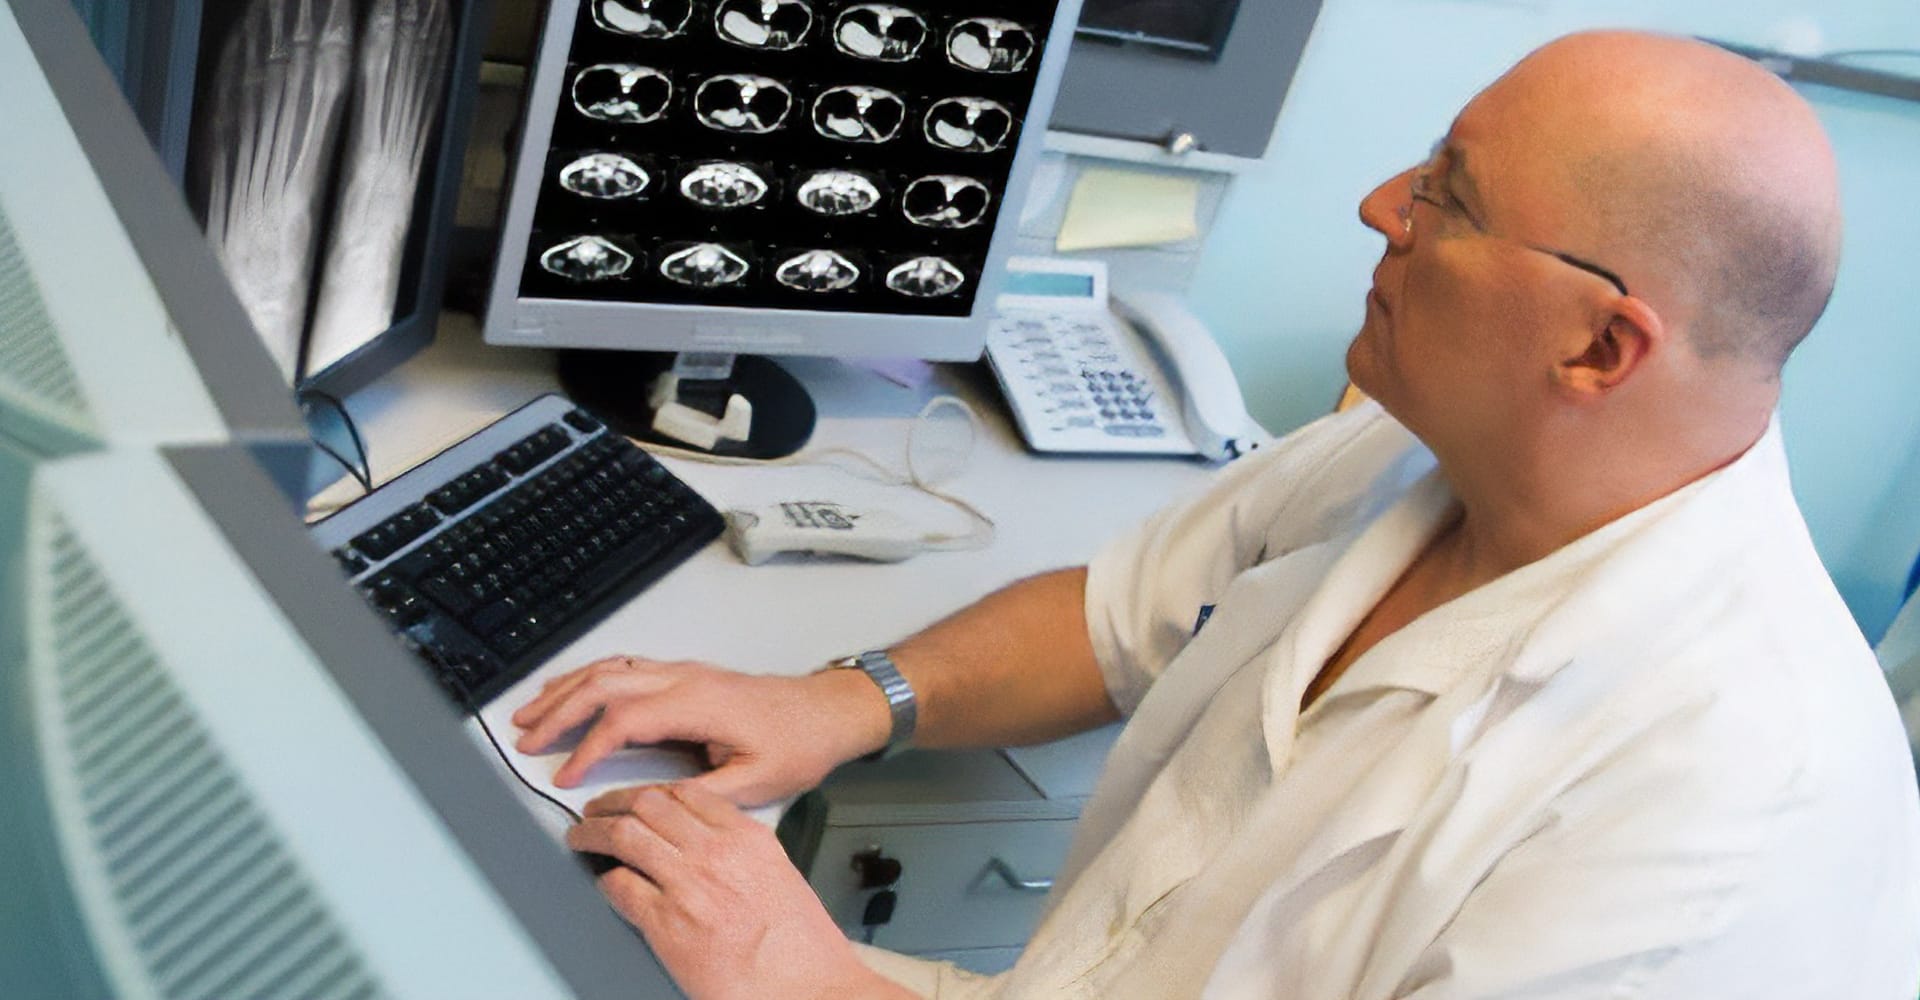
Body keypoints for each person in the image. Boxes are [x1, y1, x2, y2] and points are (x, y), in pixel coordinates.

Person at [513, 30, 1920, 999]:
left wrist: (812, 983)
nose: (1380, 208)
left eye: (1447, 198)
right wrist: (843, 702)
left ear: (1602, 351)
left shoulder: (1733, 810)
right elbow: (1116, 614)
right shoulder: (1422, 461)